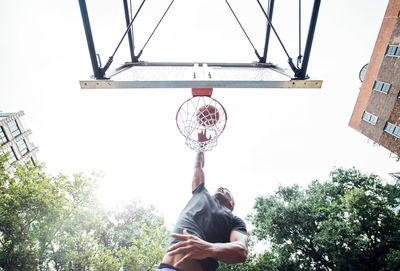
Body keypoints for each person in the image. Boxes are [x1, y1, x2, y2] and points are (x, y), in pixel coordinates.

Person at [156, 131, 248, 271]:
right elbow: (198, 166)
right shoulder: (201, 192)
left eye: (227, 191)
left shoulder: (235, 220)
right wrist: (201, 146)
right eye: (220, 187)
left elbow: (241, 250)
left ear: (232, 204)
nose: (222, 188)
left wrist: (207, 248)